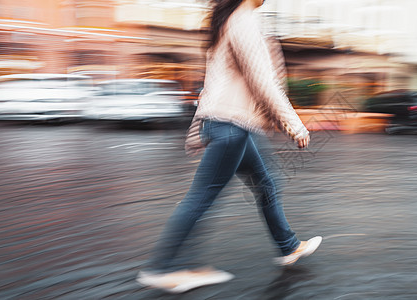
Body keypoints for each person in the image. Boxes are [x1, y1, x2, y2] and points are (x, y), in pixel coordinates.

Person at [136, 0, 322, 293]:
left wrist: (198, 129)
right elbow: (262, 81)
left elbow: (214, 84)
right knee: (201, 198)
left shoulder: (231, 21)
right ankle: (164, 268)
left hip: (232, 125)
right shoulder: (243, 21)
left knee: (267, 183)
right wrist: (293, 124)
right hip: (231, 125)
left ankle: (288, 246)